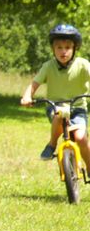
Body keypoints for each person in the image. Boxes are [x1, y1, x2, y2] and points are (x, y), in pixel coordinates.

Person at [20, 24, 90, 162]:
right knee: (59, 114)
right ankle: (52, 143)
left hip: (78, 109)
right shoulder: (48, 66)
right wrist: (27, 96)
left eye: (68, 47)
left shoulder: (83, 64)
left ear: (75, 49)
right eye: (59, 47)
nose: (63, 51)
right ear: (53, 49)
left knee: (81, 138)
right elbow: (34, 84)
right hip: (55, 107)